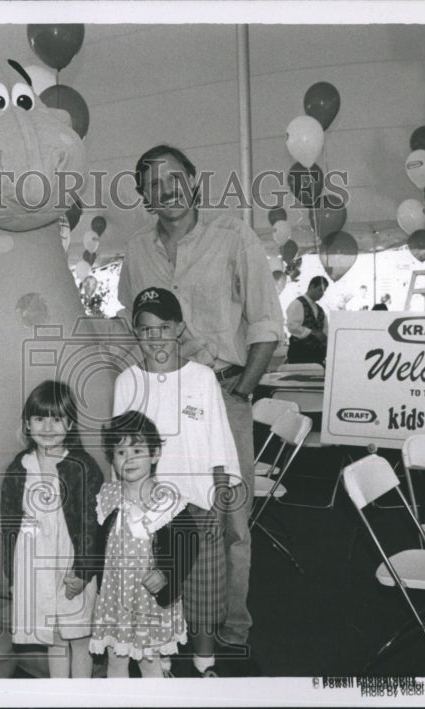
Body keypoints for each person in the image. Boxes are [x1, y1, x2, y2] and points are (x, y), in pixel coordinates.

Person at [117, 145, 284, 660]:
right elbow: (129, 323)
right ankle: (171, 619)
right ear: (142, 195)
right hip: (158, 402)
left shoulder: (233, 236)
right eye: (152, 181)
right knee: (159, 512)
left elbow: (265, 322)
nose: (165, 188)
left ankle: (230, 624)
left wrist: (241, 387)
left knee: (229, 518)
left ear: (193, 182)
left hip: (221, 396)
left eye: (174, 177)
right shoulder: (136, 250)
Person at [113, 287, 242, 678]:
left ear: (180, 328)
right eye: (145, 330)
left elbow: (220, 447)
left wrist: (219, 506)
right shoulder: (126, 382)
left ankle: (205, 665)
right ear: (136, 334)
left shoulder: (203, 379)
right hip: (150, 510)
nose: (155, 339)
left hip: (200, 505)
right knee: (158, 593)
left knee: (206, 593)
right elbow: (122, 451)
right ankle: (162, 665)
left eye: (163, 328)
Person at [0, 380, 103, 679]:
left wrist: (83, 572)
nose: (47, 426)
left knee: (79, 637)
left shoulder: (82, 466)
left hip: (71, 561)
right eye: (39, 418)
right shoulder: (20, 467)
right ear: (27, 424)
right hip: (35, 565)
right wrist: (14, 575)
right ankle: (60, 696)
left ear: (70, 423)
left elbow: (92, 525)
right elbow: (9, 527)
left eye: (56, 418)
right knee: (55, 638)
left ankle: (82, 697)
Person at [90, 410, 197, 678]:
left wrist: (165, 573)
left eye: (137, 450)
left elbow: (188, 545)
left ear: (155, 453)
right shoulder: (109, 498)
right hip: (115, 600)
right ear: (112, 459)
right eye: (120, 452)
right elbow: (95, 543)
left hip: (149, 602)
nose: (128, 459)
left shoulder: (167, 501)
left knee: (149, 663)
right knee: (115, 659)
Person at [286, 276, 329, 365]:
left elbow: (325, 331)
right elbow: (292, 326)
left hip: (318, 356)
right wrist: (312, 332)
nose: (322, 294)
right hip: (300, 353)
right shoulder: (297, 303)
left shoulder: (320, 310)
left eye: (324, 291)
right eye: (320, 290)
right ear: (311, 287)